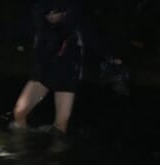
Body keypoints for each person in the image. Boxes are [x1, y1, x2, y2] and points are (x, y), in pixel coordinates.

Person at [11, 1, 122, 134]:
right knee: (19, 112)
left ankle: (55, 151)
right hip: (42, 72)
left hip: (67, 74)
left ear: (64, 12)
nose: (50, 16)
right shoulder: (39, 19)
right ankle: (21, 143)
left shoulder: (77, 22)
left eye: (54, 13)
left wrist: (111, 56)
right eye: (47, 13)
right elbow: (14, 29)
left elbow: (94, 39)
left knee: (60, 125)